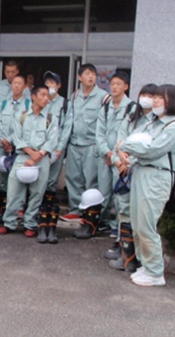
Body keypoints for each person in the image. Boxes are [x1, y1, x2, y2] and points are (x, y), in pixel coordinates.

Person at [117, 84, 175, 287]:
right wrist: (126, 148)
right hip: (140, 173)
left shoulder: (174, 127)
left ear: (172, 101)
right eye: (154, 97)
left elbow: (151, 149)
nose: (155, 101)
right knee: (137, 223)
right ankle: (146, 265)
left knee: (147, 224)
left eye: (160, 98)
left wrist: (125, 146)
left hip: (157, 177)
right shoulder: (153, 124)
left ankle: (155, 271)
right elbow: (132, 140)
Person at [106, 83, 158, 272]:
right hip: (122, 170)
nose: (146, 98)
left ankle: (138, 257)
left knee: (138, 215)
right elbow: (119, 143)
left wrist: (129, 162)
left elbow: (149, 147)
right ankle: (124, 251)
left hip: (139, 171)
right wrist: (119, 161)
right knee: (123, 210)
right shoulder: (131, 117)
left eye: (151, 95)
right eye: (143, 94)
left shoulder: (156, 121)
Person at [0, 84, 58, 238]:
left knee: (37, 193)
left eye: (47, 96)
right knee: (14, 191)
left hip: (42, 159)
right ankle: (9, 223)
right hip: (22, 157)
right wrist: (30, 153)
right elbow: (17, 137)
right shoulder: (21, 116)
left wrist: (39, 154)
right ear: (33, 97)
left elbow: (53, 140)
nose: (45, 98)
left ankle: (30, 224)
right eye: (42, 95)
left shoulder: (51, 118)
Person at [60, 63, 110, 220]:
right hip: (75, 144)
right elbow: (69, 122)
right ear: (80, 77)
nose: (91, 77)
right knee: (73, 178)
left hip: (92, 145)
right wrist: (63, 145)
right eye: (88, 74)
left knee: (92, 180)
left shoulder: (103, 97)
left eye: (93, 74)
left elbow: (106, 125)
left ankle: (91, 212)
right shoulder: (74, 97)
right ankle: (75, 209)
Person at [0, 74, 31, 223]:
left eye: (19, 83)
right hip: (3, 146)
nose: (16, 86)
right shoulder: (4, 104)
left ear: (25, 86)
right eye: (14, 83)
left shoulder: (28, 105)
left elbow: (25, 126)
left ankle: (16, 210)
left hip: (19, 148)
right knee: (2, 179)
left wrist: (12, 141)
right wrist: (3, 140)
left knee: (18, 178)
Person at [95, 71, 133, 235]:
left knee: (120, 195)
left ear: (126, 86)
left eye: (119, 84)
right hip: (106, 157)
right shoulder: (105, 108)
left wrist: (118, 159)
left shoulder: (132, 108)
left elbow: (130, 137)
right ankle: (102, 222)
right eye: (112, 84)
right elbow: (99, 135)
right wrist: (108, 154)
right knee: (103, 191)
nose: (115, 87)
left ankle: (119, 226)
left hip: (121, 160)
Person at [38, 70, 69, 241]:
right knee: (38, 181)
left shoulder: (64, 104)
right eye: (47, 83)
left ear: (59, 85)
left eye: (53, 83)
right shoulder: (41, 101)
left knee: (51, 182)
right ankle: (40, 216)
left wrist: (60, 148)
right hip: (40, 149)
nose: (50, 86)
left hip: (55, 150)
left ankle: (50, 218)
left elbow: (66, 127)